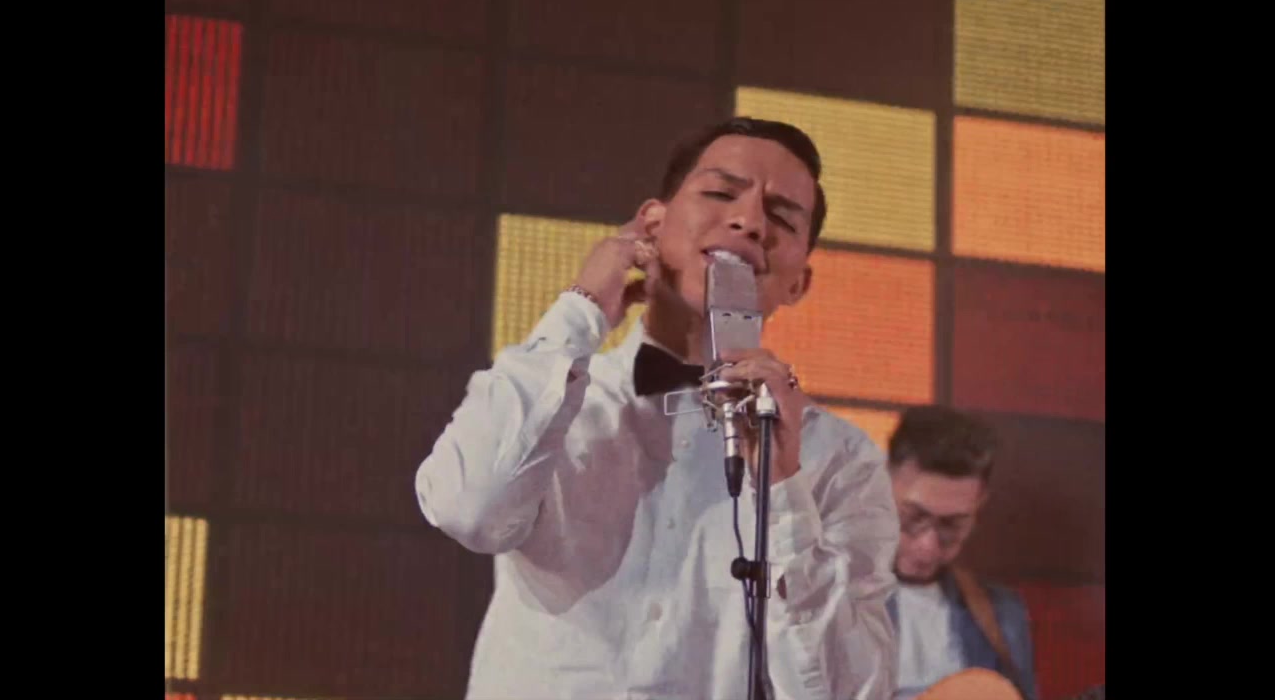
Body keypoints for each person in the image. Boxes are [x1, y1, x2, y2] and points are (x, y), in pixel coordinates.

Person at [415, 117, 900, 699]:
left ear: (799, 283)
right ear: (652, 222)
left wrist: (782, 490)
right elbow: (467, 510)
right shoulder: (555, 393)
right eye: (720, 193)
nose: (749, 221)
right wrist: (580, 308)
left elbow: (850, 693)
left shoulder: (840, 460)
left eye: (783, 217)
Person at [884, 405, 1039, 700]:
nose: (927, 545)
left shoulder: (1002, 613)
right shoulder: (821, 596)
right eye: (912, 517)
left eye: (952, 525)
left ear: (979, 505)